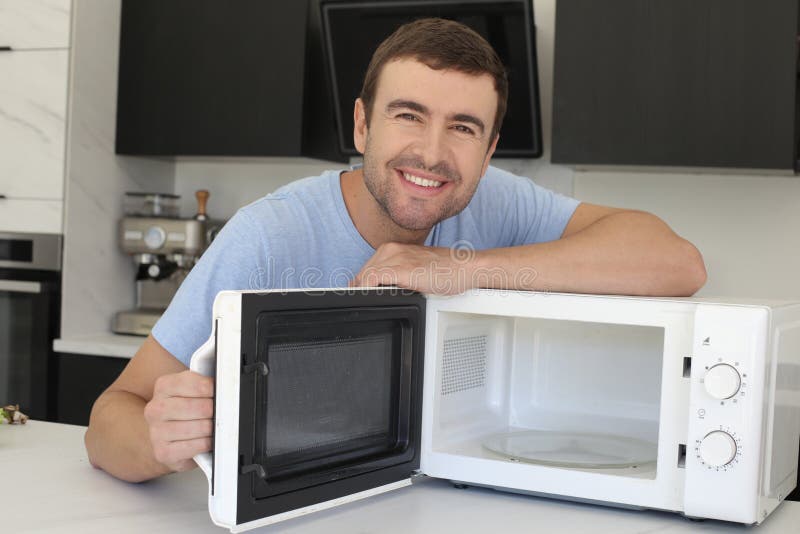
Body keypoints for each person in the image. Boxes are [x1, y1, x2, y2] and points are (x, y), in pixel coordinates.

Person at [84, 18, 706, 482]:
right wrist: (159, 442)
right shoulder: (267, 236)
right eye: (408, 115)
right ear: (362, 126)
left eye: (463, 128)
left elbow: (677, 261)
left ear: (489, 152)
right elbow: (111, 418)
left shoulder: (499, 204)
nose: (433, 154)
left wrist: (459, 268)